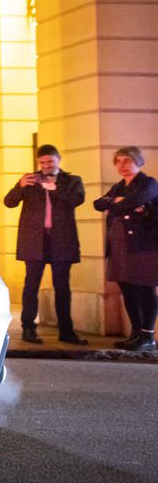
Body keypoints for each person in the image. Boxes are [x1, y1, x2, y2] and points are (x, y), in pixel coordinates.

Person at [4, 144, 86, 345]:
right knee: (31, 286)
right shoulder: (30, 180)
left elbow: (77, 199)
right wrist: (20, 186)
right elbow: (9, 202)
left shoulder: (72, 181)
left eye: (50, 161)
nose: (46, 166)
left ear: (59, 159)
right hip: (34, 242)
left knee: (62, 288)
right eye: (42, 162)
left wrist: (54, 188)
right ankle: (28, 329)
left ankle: (66, 331)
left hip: (61, 241)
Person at [94, 145, 158, 351]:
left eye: (127, 160)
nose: (122, 165)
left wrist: (115, 203)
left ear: (138, 162)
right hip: (119, 246)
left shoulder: (148, 183)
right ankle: (136, 332)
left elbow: (138, 199)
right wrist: (116, 201)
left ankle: (148, 335)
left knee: (145, 288)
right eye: (119, 161)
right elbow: (98, 203)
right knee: (127, 288)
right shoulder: (118, 187)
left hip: (142, 245)